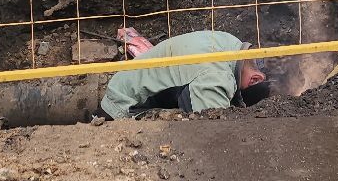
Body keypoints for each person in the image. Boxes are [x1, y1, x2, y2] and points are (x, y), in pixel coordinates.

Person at [100, 28, 272, 119]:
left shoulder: (230, 42)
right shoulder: (216, 78)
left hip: (124, 83)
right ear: (255, 78)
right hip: (123, 108)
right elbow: (214, 128)